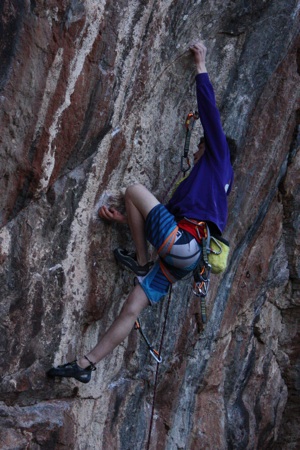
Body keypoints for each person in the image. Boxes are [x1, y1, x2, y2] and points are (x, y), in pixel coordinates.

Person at [47, 41, 234, 383]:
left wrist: (201, 65)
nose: (195, 154)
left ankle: (142, 259)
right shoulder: (210, 191)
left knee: (133, 189)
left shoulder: (219, 158)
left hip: (181, 243)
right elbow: (154, 216)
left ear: (209, 147)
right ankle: (86, 364)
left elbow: (210, 114)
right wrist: (125, 220)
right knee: (131, 307)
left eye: (199, 148)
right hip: (185, 257)